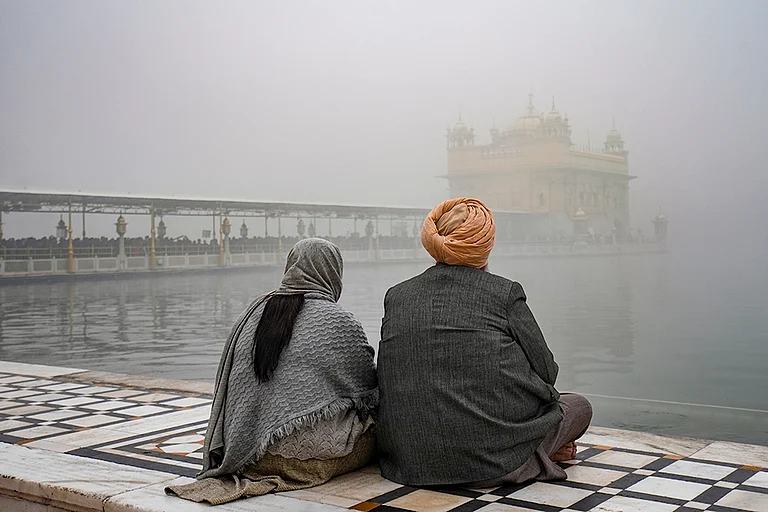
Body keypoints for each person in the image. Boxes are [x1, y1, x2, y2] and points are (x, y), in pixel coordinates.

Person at [376, 198, 592, 487]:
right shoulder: (504, 293)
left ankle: (538, 451)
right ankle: (537, 453)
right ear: (485, 245)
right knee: (578, 405)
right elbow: (547, 372)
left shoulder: (397, 295)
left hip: (409, 461)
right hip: (489, 461)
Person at [167, 238, 378, 504]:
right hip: (306, 462)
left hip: (248, 455)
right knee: (378, 428)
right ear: (333, 271)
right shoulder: (337, 319)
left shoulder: (254, 311)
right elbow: (367, 388)